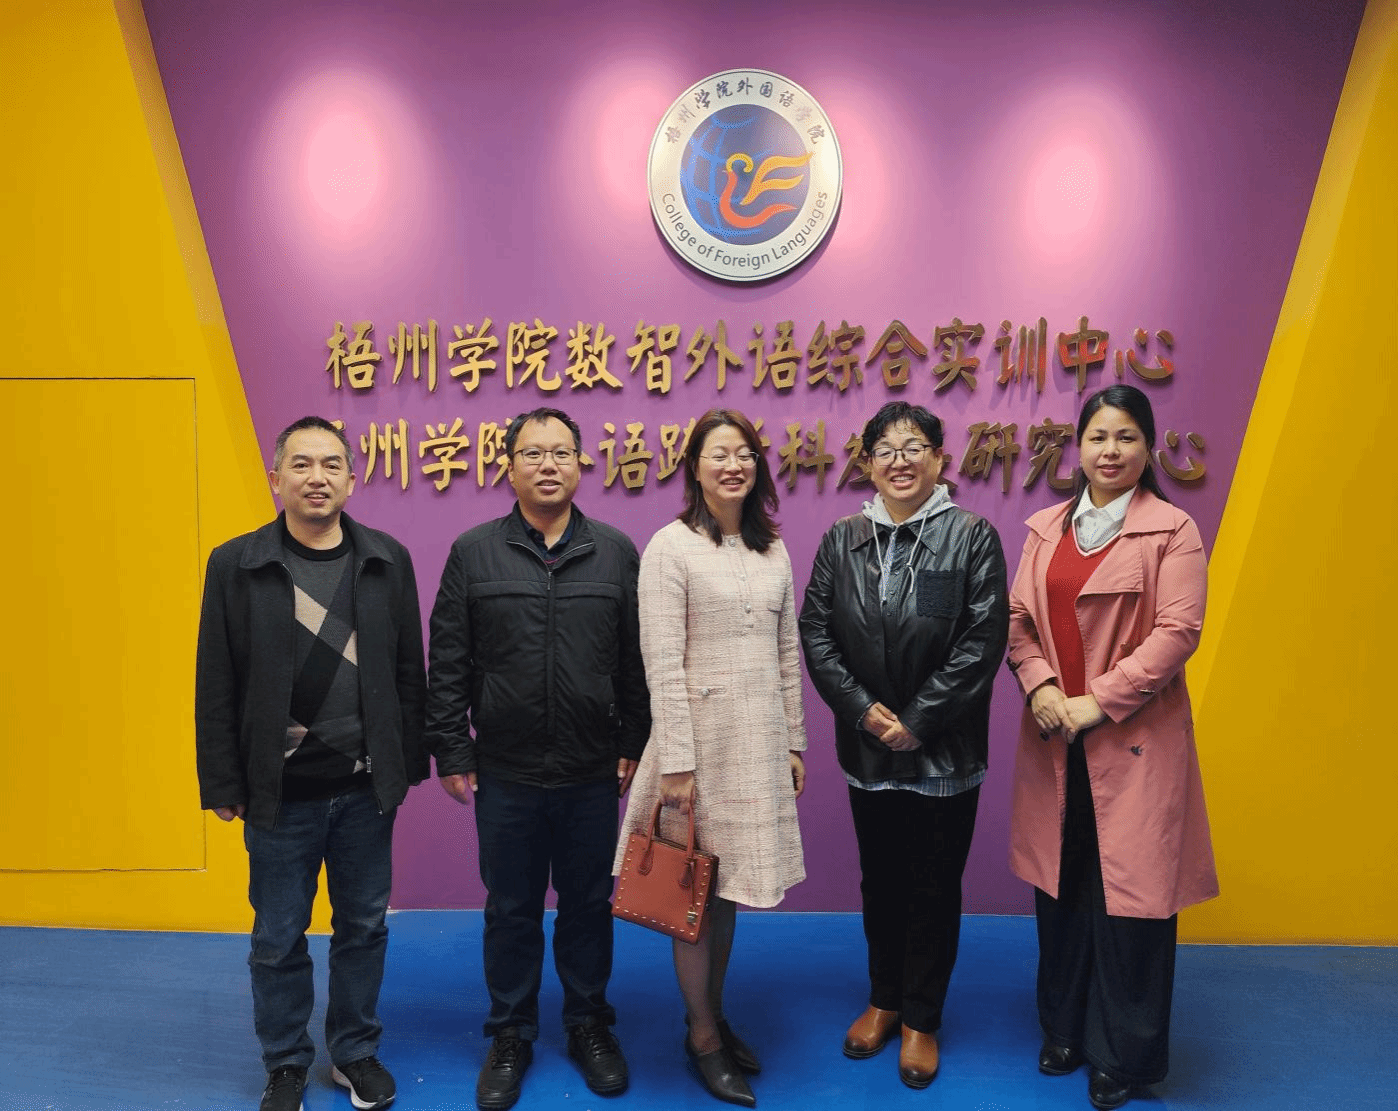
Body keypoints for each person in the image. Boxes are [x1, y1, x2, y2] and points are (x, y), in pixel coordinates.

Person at [196, 415, 426, 1111]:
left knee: (364, 926)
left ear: (352, 478)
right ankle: (286, 1061)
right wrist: (222, 779)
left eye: (330, 464)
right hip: (278, 793)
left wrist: (405, 765)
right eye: (301, 464)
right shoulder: (235, 563)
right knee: (277, 937)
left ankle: (354, 1052)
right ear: (276, 479)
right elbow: (215, 679)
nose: (316, 477)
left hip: (364, 791)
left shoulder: (387, 559)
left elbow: (407, 670)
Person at [425, 407, 650, 1111]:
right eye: (532, 452)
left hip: (591, 768)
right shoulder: (474, 553)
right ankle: (511, 1033)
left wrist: (632, 744)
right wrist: (452, 747)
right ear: (510, 466)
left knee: (588, 906)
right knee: (511, 909)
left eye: (560, 452)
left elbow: (635, 661)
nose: (547, 464)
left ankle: (588, 1024)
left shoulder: (615, 552)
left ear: (581, 463)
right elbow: (448, 659)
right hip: (507, 769)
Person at [1005, 384, 1218, 1111]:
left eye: (1126, 436)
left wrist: (1099, 700)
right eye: (1098, 436)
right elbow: (1017, 620)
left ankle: (1121, 1054)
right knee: (1061, 888)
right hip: (1055, 738)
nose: (1110, 450)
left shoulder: (1172, 529)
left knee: (1131, 901)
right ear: (1079, 445)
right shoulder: (1045, 527)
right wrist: (1039, 685)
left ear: (1147, 446)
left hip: (1134, 741)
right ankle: (1063, 1029)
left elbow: (1178, 632)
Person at [799, 401, 1008, 1090]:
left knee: (933, 884)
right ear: (867, 464)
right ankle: (884, 999)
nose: (900, 460)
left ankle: (922, 1016)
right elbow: (816, 631)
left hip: (944, 750)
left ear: (940, 459)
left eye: (915, 446)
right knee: (881, 880)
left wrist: (918, 718)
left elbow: (982, 641)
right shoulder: (842, 539)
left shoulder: (971, 536)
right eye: (885, 449)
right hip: (868, 749)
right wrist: (864, 711)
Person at [616, 407, 807, 1109]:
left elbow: (787, 652)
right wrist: (677, 763)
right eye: (718, 454)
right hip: (696, 749)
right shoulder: (670, 547)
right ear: (694, 467)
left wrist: (794, 740)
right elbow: (661, 662)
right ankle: (701, 1036)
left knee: (725, 891)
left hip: (757, 746)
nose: (733, 465)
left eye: (745, 454)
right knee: (691, 891)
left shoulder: (773, 548)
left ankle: (713, 1014)